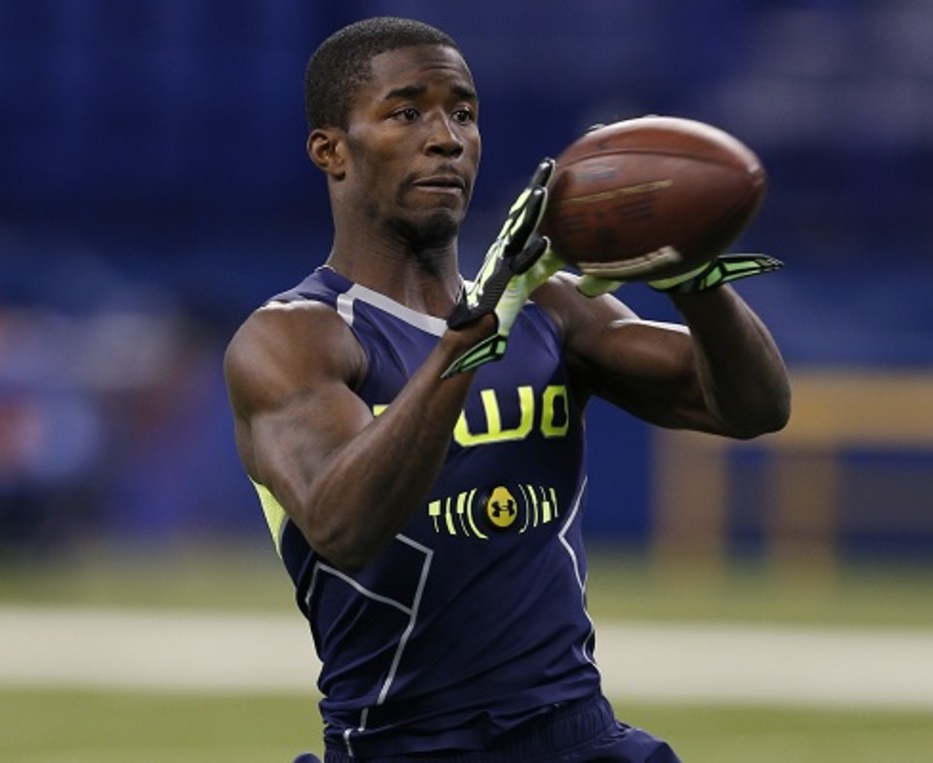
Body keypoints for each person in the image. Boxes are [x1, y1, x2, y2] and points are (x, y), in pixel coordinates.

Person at [224, 16, 790, 762]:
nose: (446, 137)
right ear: (331, 149)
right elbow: (344, 525)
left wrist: (693, 280)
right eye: (406, 112)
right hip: (401, 746)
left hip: (577, 734)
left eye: (463, 111)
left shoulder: (549, 306)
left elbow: (753, 406)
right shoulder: (293, 337)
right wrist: (466, 343)